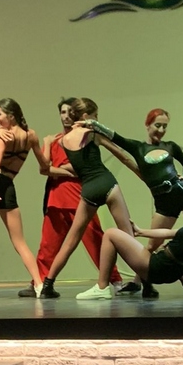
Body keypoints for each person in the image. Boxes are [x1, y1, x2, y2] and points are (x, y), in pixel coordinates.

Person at [81, 109, 183, 298]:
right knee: (151, 245)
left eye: (165, 126)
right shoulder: (138, 148)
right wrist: (93, 124)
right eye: (157, 125)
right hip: (163, 201)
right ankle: (139, 282)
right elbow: (115, 137)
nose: (161, 130)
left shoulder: (170, 146)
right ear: (148, 125)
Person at [18, 98, 124, 298]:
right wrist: (48, 149)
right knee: (48, 245)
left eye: (69, 112)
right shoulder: (56, 139)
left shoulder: (83, 137)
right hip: (55, 198)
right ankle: (39, 282)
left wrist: (54, 170)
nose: (66, 116)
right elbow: (44, 168)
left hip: (78, 195)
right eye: (62, 112)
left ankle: (115, 280)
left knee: (95, 239)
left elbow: (76, 168)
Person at [40, 98, 140, 300]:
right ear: (86, 116)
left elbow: (52, 168)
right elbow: (122, 155)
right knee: (128, 236)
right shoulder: (93, 134)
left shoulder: (62, 141)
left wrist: (49, 147)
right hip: (107, 183)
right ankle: (145, 280)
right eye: (95, 116)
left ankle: (47, 284)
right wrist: (143, 176)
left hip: (88, 190)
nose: (97, 119)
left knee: (70, 241)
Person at [81, 192, 183, 300]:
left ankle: (102, 287)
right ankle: (143, 287)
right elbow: (172, 233)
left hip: (158, 268)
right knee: (147, 246)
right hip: (165, 268)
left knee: (110, 234)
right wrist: (142, 232)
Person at [0, 98, 50, 300]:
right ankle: (39, 284)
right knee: (19, 241)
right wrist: (48, 144)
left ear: (11, 116)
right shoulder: (30, 136)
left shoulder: (3, 136)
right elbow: (44, 165)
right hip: (7, 184)